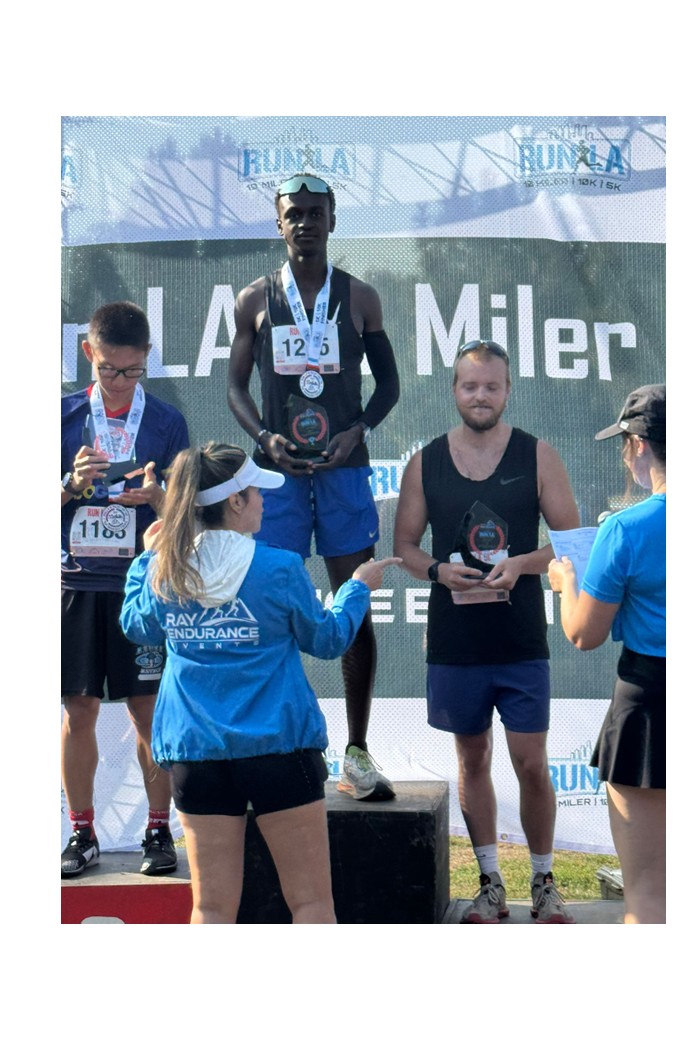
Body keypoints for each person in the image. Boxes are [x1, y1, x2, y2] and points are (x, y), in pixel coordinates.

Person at [120, 443, 401, 924]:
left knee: (210, 907)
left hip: (195, 753)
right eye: (255, 491)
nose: (263, 500)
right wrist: (356, 588)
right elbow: (329, 639)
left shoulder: (165, 567)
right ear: (234, 502)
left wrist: (148, 558)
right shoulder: (279, 566)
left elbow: (136, 625)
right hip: (279, 750)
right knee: (311, 903)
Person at [393, 340, 581, 924]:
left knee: (531, 762)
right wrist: (436, 570)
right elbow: (404, 546)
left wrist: (522, 563)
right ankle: (490, 883)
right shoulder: (425, 461)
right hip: (456, 643)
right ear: (454, 390)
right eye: (470, 386)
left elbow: (571, 543)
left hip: (520, 640)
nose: (481, 396)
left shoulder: (537, 455)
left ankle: (544, 881)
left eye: (491, 387)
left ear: (507, 391)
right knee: (471, 760)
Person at [228, 172, 400, 801]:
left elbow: (389, 386)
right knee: (270, 607)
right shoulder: (254, 299)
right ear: (279, 223)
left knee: (353, 605)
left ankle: (356, 752)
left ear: (332, 219)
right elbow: (235, 387)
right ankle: (280, 744)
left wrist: (358, 432)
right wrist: (265, 438)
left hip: (343, 472)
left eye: (314, 212)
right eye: (293, 213)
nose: (304, 222)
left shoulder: (360, 297)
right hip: (276, 476)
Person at [61, 301, 190, 879]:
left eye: (132, 371)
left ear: (146, 361)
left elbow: (185, 514)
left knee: (148, 710)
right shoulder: (61, 417)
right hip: (76, 583)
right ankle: (81, 831)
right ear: (88, 352)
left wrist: (157, 498)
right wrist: (71, 485)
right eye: (109, 369)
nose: (119, 381)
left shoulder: (165, 422)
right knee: (79, 709)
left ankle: (158, 830)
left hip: (141, 584)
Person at [548, 385, 666, 924]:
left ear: (638, 446)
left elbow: (583, 633)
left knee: (649, 894)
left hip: (650, 706)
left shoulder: (626, 528)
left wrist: (565, 583)